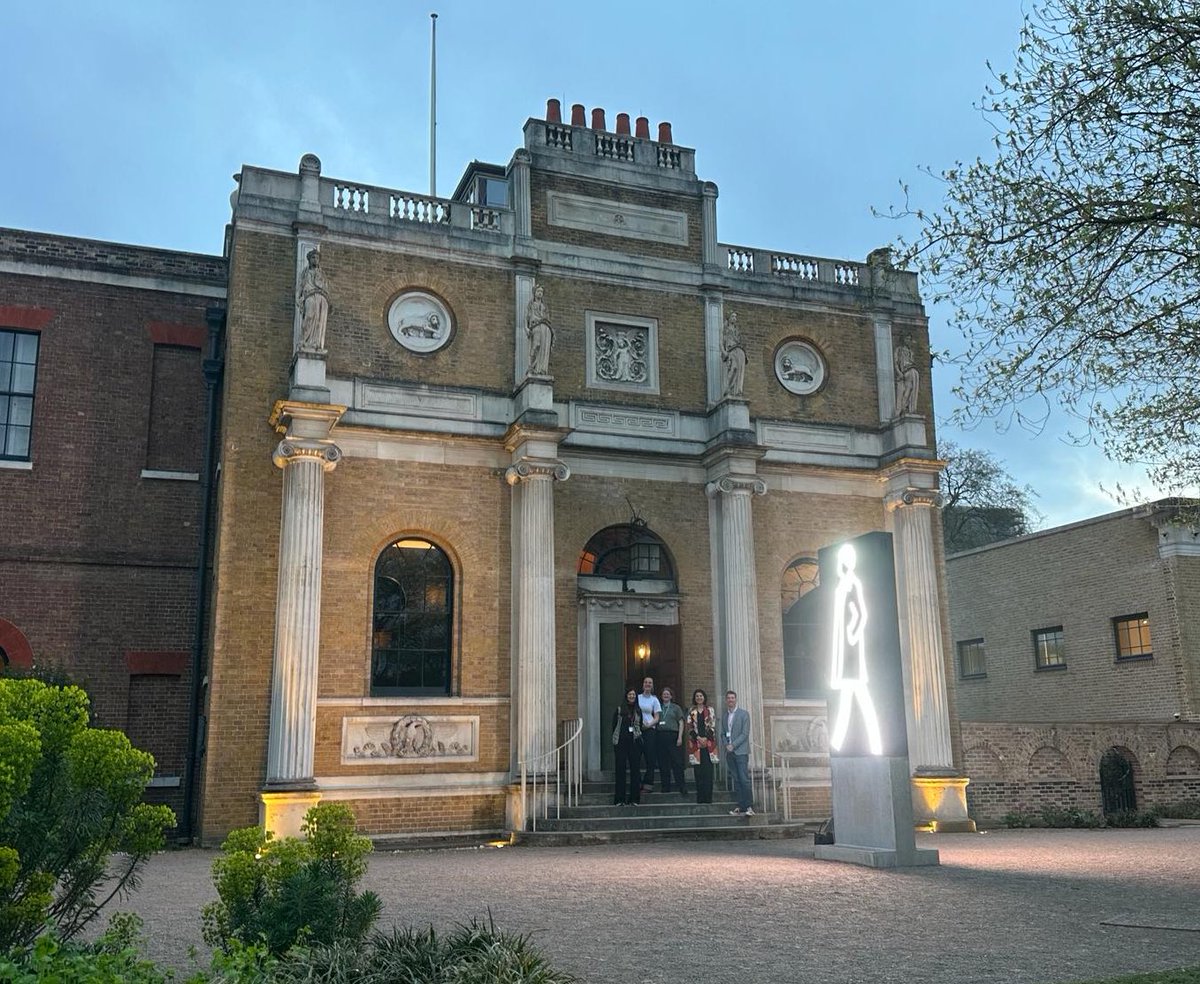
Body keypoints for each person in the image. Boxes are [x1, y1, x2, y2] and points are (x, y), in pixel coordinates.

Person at [724, 690, 754, 816]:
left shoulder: (744, 714)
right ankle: (740, 806)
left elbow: (745, 734)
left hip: (741, 751)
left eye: (732, 698)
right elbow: (722, 733)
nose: (730, 700)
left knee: (744, 779)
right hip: (729, 752)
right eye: (728, 698)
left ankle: (749, 807)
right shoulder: (725, 716)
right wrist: (726, 744)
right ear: (726, 700)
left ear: (736, 700)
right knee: (736, 780)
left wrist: (733, 745)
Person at [686, 688, 717, 804]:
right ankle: (700, 798)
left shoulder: (710, 710)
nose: (699, 698)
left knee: (708, 771)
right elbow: (689, 727)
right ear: (694, 698)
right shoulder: (691, 711)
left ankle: (708, 798)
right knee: (698, 772)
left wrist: (705, 738)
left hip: (708, 744)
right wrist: (698, 738)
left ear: (704, 697)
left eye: (701, 696)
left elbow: (712, 725)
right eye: (697, 696)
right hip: (695, 745)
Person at [612, 688, 642, 806]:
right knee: (620, 770)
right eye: (630, 694)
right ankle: (620, 799)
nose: (631, 696)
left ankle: (634, 799)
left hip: (634, 743)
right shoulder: (619, 710)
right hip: (621, 743)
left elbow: (640, 725)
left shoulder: (638, 711)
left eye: (633, 695)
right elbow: (614, 726)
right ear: (626, 696)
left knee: (635, 771)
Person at [297, 248, 330, 352]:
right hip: (309, 296)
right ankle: (304, 341)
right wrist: (298, 299)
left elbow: (326, 287)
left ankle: (316, 343)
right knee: (309, 316)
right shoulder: (305, 273)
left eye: (317, 258)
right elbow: (300, 287)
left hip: (321, 297)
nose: (315, 260)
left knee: (319, 321)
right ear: (309, 260)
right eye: (313, 258)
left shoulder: (322, 274)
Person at [656, 686, 688, 796]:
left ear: (671, 696)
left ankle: (681, 786)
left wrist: (680, 737)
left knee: (677, 762)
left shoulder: (676, 708)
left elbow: (681, 723)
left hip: (673, 736)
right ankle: (665, 787)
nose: (666, 695)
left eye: (668, 694)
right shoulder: (658, 707)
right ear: (661, 696)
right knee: (663, 763)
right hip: (660, 736)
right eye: (664, 694)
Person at [636, 675, 661, 790]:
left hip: (650, 730)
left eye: (650, 683)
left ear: (652, 685)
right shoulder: (637, 698)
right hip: (637, 730)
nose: (647, 684)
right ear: (643, 685)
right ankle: (637, 782)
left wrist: (648, 725)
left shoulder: (654, 700)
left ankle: (648, 783)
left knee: (650, 757)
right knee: (636, 755)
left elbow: (656, 717)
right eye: (646, 682)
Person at [526, 283, 553, 376]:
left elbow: (548, 318)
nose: (540, 293)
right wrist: (526, 328)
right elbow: (526, 317)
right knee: (536, 345)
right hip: (535, 327)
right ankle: (531, 366)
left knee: (544, 348)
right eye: (538, 291)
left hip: (545, 327)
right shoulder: (531, 304)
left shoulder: (544, 306)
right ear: (534, 293)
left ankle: (540, 368)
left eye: (541, 291)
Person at [721, 312, 746, 398]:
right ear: (729, 318)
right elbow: (721, 342)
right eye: (733, 316)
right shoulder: (726, 329)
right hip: (731, 351)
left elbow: (740, 341)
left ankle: (738, 391)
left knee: (740, 371)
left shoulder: (737, 330)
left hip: (739, 350)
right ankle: (728, 389)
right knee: (733, 369)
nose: (734, 318)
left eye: (735, 317)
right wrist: (724, 352)